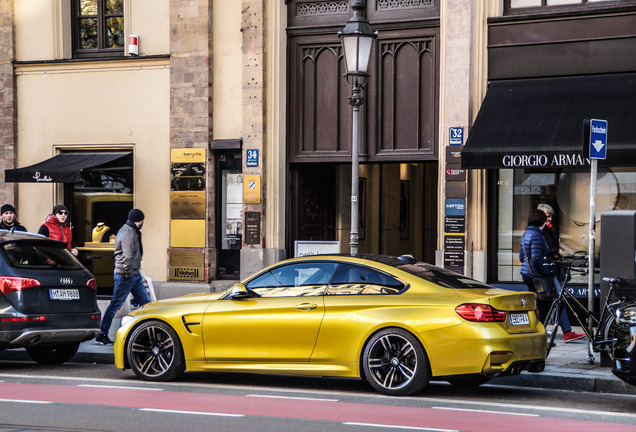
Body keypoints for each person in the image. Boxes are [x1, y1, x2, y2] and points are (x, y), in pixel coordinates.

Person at [520, 209, 584, 343]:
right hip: (539, 276)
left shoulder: (526, 234)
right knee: (547, 304)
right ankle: (539, 336)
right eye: (546, 218)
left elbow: (522, 257)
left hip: (527, 274)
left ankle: (536, 334)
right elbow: (538, 259)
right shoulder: (537, 235)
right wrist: (547, 271)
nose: (548, 220)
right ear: (541, 220)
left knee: (541, 304)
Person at [96, 208, 151, 345]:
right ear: (139, 220)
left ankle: (149, 333)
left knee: (147, 304)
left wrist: (135, 272)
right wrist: (128, 273)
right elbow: (127, 255)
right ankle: (102, 334)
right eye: (142, 220)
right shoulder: (128, 233)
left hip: (134, 274)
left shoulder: (131, 231)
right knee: (115, 304)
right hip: (126, 275)